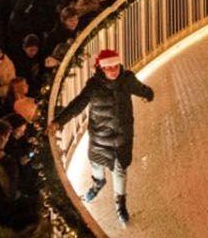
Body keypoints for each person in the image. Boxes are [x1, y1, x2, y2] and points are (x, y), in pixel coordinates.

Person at [54, 47, 156, 225]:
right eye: (108, 68)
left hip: (121, 137)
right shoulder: (93, 85)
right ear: (101, 68)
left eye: (115, 67)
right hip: (99, 139)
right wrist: (59, 122)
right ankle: (98, 183)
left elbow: (140, 89)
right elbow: (78, 104)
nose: (113, 71)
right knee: (96, 165)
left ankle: (120, 202)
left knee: (120, 171)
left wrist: (148, 94)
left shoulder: (127, 80)